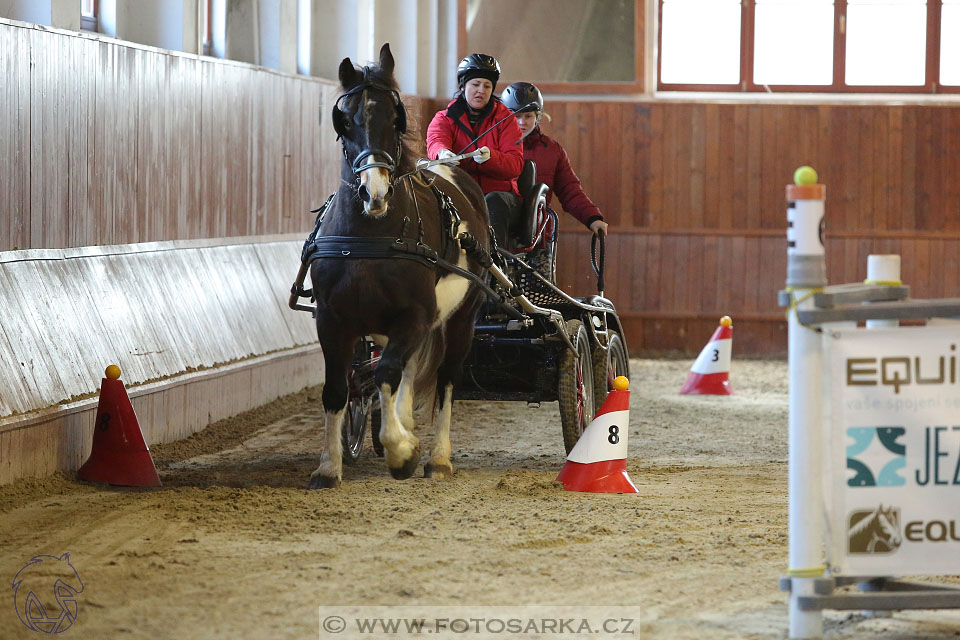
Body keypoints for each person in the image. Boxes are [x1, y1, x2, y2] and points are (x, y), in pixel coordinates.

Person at [426, 54, 523, 247]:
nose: (481, 91)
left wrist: (491, 158)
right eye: (475, 84)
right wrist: (442, 153)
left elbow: (515, 165)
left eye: (487, 86)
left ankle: (495, 262)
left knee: (494, 201)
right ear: (463, 86)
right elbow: (436, 141)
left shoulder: (506, 120)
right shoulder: (444, 118)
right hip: (459, 194)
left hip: (500, 198)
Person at [501, 81, 608, 238]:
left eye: (528, 116)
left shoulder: (552, 150)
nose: (522, 122)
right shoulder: (493, 147)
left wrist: (592, 218)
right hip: (500, 233)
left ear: (538, 117)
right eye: (516, 116)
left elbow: (570, 190)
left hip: (538, 235)